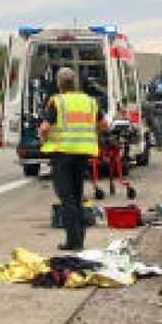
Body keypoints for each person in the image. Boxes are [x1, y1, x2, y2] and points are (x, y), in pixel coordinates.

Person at [39, 67, 107, 251]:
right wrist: (92, 135)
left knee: (66, 198)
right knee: (77, 197)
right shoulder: (90, 101)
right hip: (83, 154)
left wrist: (44, 141)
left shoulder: (57, 101)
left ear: (59, 84)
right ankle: (79, 238)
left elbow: (45, 128)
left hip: (62, 154)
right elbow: (103, 124)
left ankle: (73, 241)